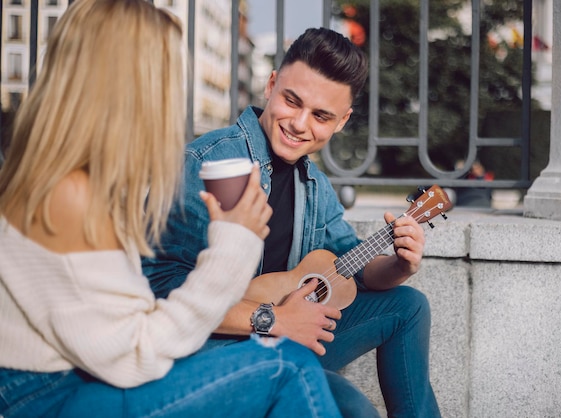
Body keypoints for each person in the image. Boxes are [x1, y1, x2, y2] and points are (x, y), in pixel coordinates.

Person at [0, 2, 342, 417]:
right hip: (50, 399)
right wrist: (234, 243)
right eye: (166, 71)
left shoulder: (66, 177)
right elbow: (135, 355)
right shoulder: (68, 194)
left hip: (77, 381)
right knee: (289, 367)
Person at [144, 27, 441, 418]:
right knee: (354, 410)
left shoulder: (314, 185)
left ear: (342, 121)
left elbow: (353, 270)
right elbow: (158, 289)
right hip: (211, 351)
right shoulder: (207, 165)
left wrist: (400, 264)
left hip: (283, 336)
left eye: (321, 116)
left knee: (409, 305)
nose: (300, 124)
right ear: (271, 85)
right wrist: (274, 320)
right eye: (291, 100)